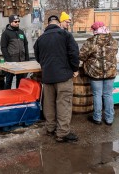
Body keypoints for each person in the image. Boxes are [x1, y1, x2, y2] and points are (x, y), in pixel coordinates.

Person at [34, 15, 79, 143]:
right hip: (63, 76)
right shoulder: (65, 35)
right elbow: (74, 53)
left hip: (47, 77)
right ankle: (62, 133)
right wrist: (74, 68)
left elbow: (38, 57)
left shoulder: (40, 39)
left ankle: (50, 128)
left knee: (49, 104)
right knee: (63, 104)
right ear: (58, 24)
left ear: (47, 25)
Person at [79, 21, 118, 126]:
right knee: (108, 94)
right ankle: (109, 119)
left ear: (95, 30)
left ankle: (97, 118)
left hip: (95, 73)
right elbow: (115, 52)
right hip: (110, 72)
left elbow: (81, 56)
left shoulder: (91, 42)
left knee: (97, 95)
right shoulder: (113, 40)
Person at [0, 14, 29, 89]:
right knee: (9, 80)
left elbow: (25, 44)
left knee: (20, 81)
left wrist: (27, 58)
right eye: (15, 21)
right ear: (11, 22)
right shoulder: (6, 33)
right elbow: (3, 47)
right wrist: (8, 60)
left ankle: (18, 96)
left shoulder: (21, 32)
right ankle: (6, 97)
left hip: (21, 61)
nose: (17, 23)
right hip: (11, 61)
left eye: (18, 21)